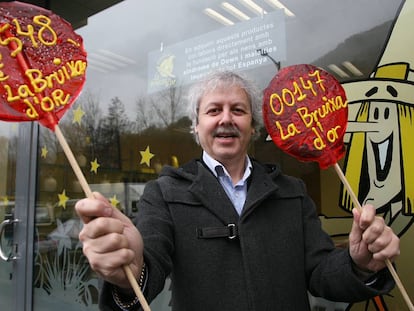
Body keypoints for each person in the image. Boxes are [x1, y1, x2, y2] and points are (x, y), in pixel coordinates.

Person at [75, 70, 400, 311]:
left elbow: (321, 274)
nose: (225, 119)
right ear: (196, 125)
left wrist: (359, 264)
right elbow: (152, 269)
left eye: (238, 110)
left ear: (253, 127)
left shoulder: (292, 192)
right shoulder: (164, 192)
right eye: (214, 110)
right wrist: (132, 270)